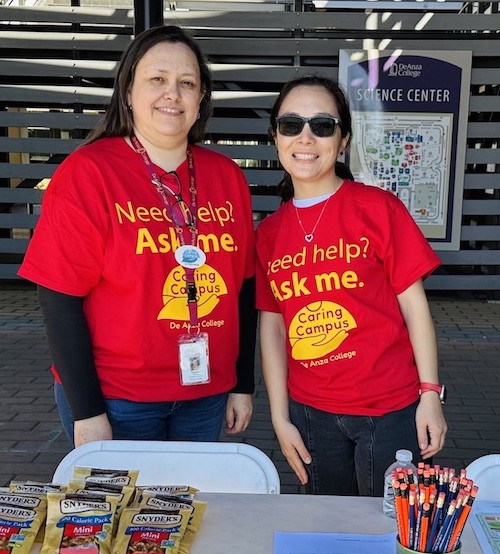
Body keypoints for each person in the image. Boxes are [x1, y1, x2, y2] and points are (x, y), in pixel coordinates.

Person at [18, 25, 256, 449]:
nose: (173, 93)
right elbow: (58, 297)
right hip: (118, 399)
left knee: (194, 511)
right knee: (121, 515)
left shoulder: (227, 176)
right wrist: (88, 411)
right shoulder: (89, 173)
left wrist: (242, 383)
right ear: (127, 91)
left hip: (205, 392)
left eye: (187, 83)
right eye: (157, 79)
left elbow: (244, 286)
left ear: (201, 99)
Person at [255, 75, 447, 496]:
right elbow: (272, 327)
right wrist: (279, 416)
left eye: (322, 125)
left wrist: (430, 393)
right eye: (291, 125)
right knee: (327, 529)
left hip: (391, 409)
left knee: (391, 528)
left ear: (342, 140)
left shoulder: (378, 208)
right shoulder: (268, 233)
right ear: (276, 136)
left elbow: (416, 309)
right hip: (310, 413)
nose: (306, 137)